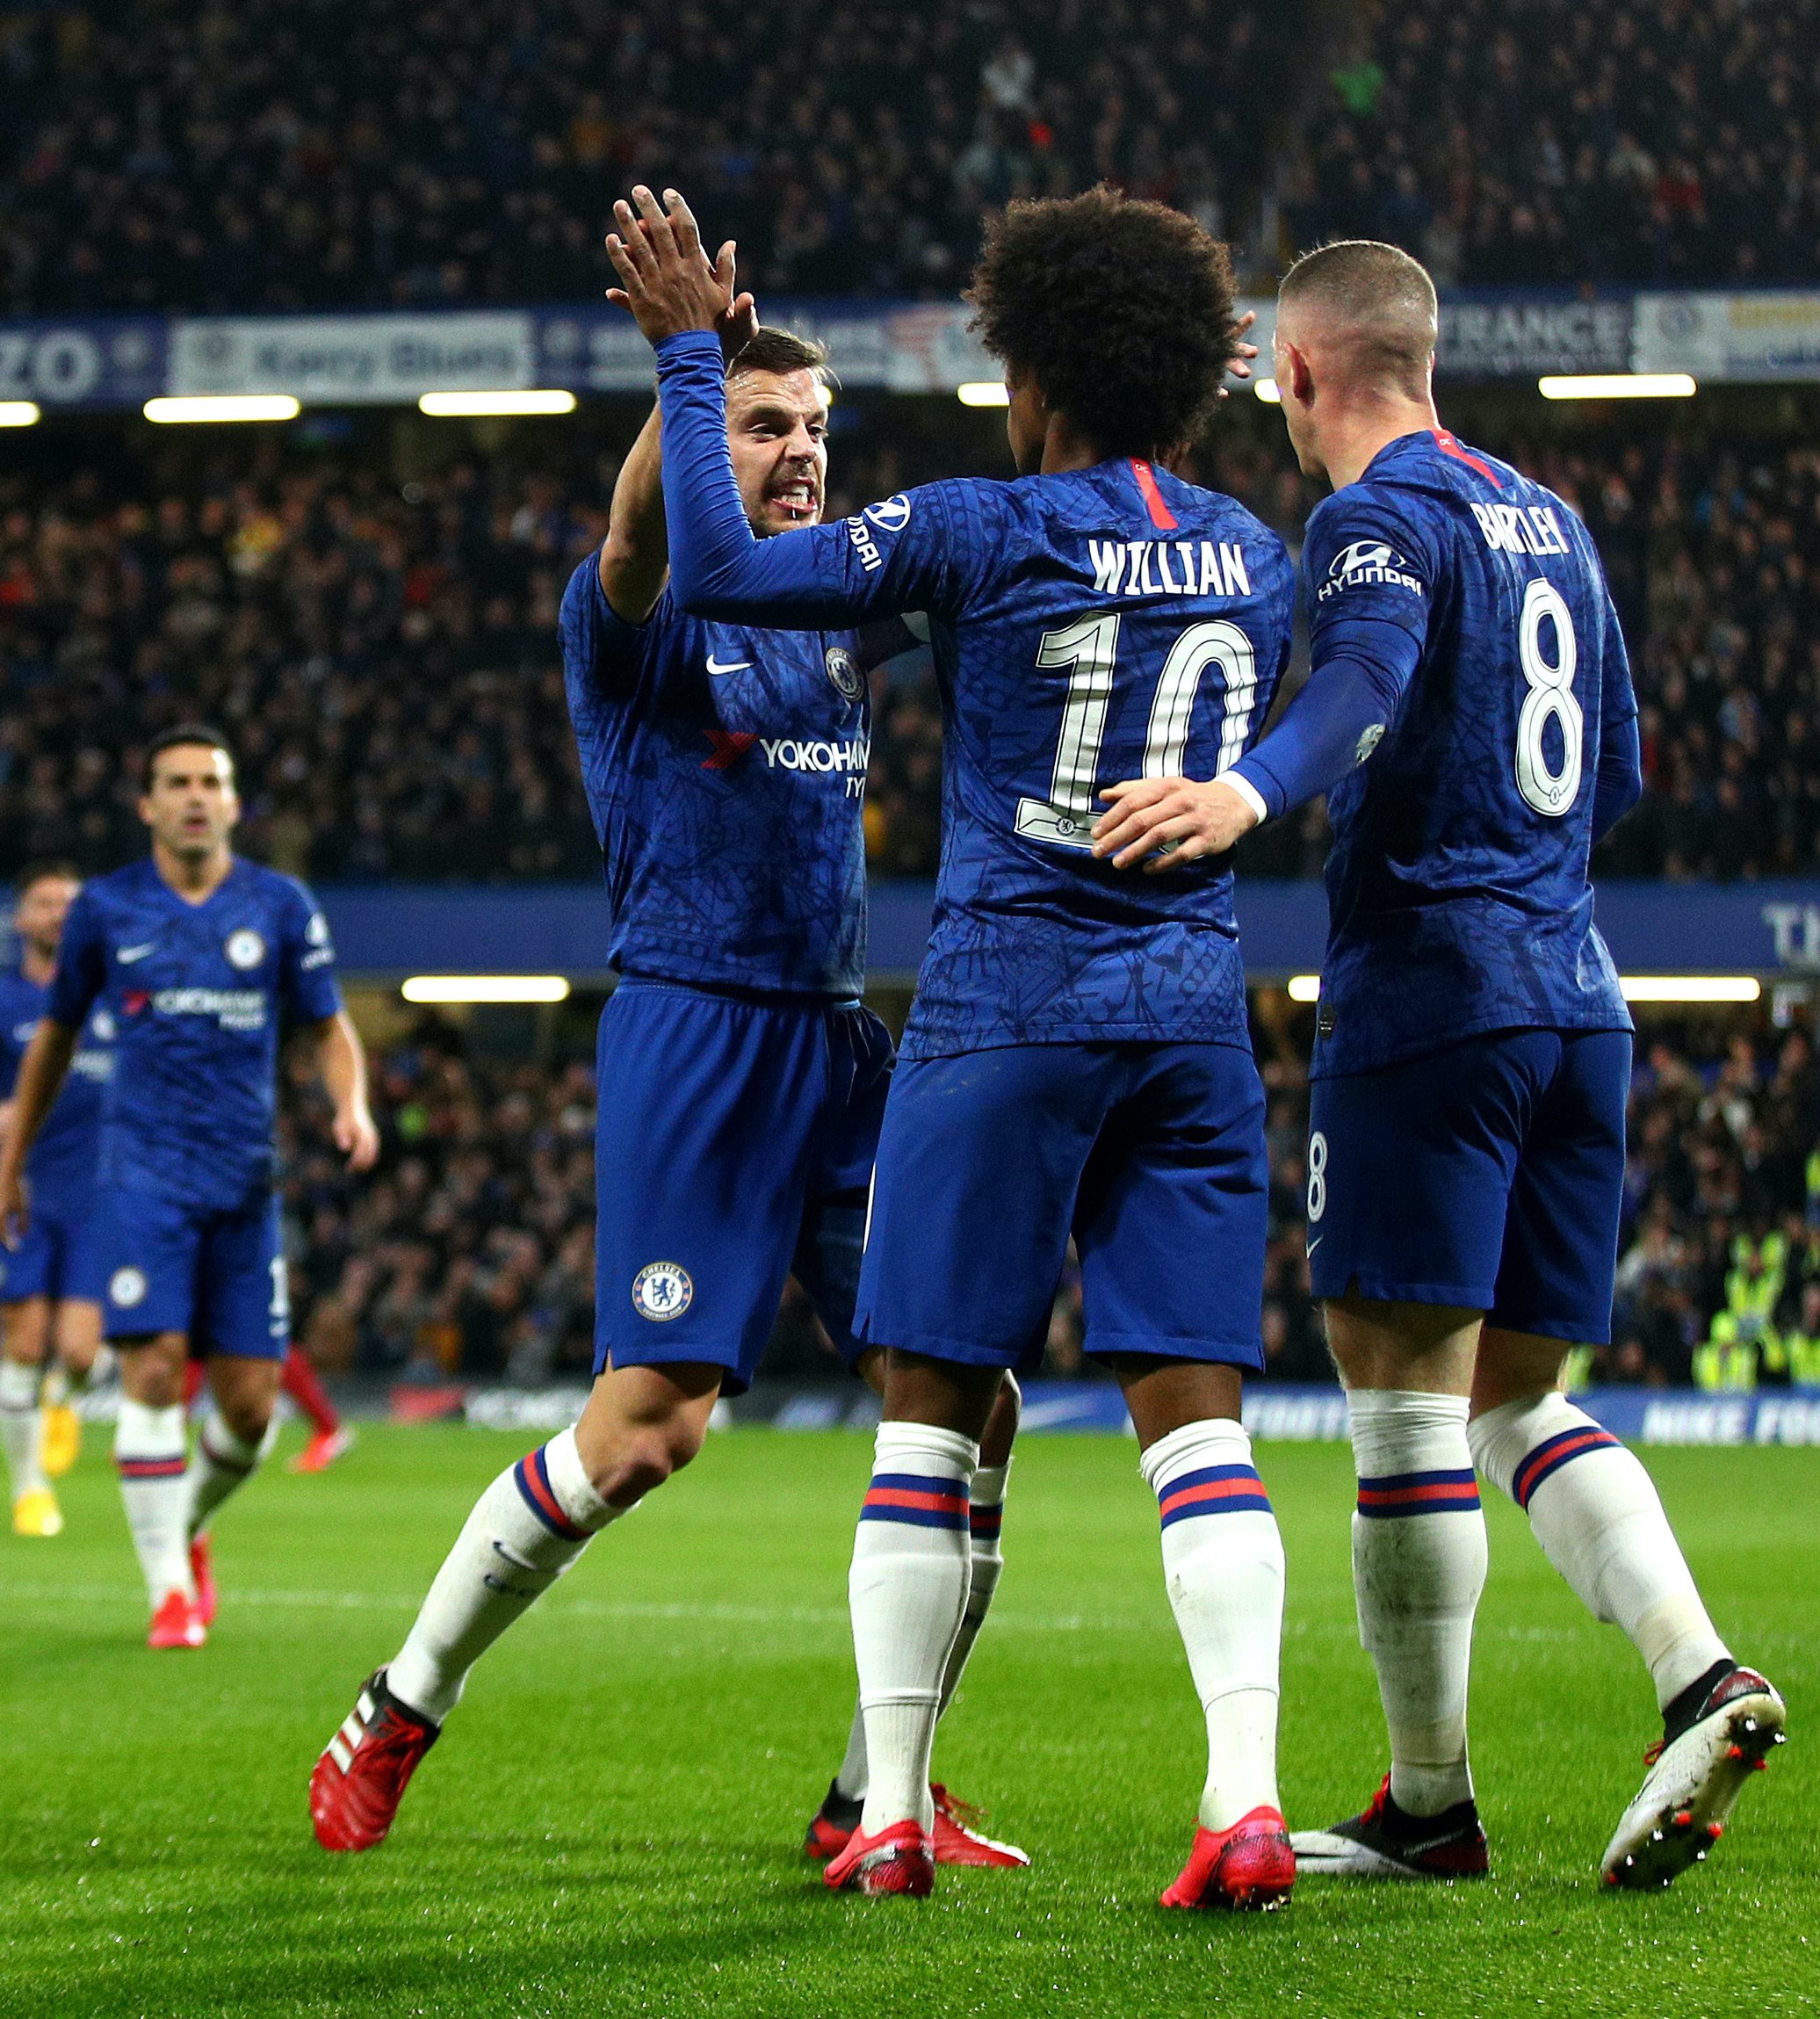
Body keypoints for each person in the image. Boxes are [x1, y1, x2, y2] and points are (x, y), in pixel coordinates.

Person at [610, 184, 1298, 1906]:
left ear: (1034, 372)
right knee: (1194, 1423)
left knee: (926, 1414)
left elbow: (717, 575)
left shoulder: (980, 525)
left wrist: (693, 367)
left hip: (1002, 1013)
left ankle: (893, 1810)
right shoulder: (1253, 548)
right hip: (1190, 1022)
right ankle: (1243, 1796)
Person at [1085, 236, 1787, 1893]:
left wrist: (1251, 795)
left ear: (1299, 372)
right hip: (1577, 990)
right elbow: (1612, 765)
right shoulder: (1549, 512)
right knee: (1514, 1392)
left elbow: (1370, 682)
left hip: (1429, 996)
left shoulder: (1372, 518)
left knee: (1398, 1394)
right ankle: (1700, 1672)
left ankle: (1429, 1802)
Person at [309, 296, 1022, 1872]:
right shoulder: (634, 617)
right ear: (703, 443)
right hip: (697, 1035)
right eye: (766, 427)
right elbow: (639, 535)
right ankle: (403, 1697)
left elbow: (991, 570)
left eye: (816, 429)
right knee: (647, 1433)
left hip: (839, 1045)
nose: (801, 452)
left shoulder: (832, 609)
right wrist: (684, 368)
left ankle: (879, 1786)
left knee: (973, 1398)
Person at [0, 727, 379, 1651]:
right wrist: (9, 1165)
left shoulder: (279, 905)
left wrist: (351, 1106)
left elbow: (327, 1027)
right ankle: (168, 1592)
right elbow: (51, 1043)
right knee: (153, 1368)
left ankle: (187, 1524)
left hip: (245, 1177)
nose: (196, 796)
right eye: (177, 783)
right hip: (141, 1176)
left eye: (212, 782)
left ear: (235, 804)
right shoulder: (106, 910)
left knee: (248, 1412)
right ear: (147, 804)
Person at [0, 862, 119, 1537]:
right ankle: (30, 1490)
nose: (57, 915)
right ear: (21, 920)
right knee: (24, 1337)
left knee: (80, 1353)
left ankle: (64, 1394)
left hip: (99, 1198)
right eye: (44, 904)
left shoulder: (112, 997)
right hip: (25, 1193)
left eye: (70, 904)